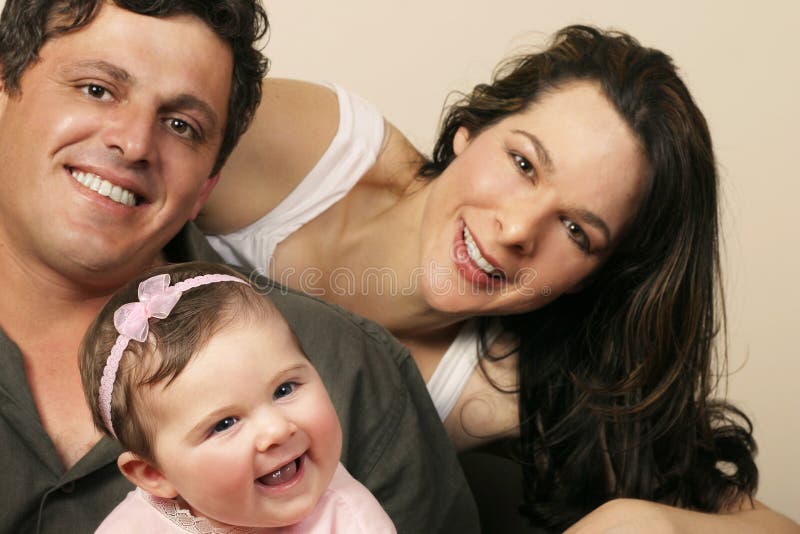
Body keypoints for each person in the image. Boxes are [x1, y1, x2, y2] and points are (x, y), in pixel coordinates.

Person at [198, 26, 800, 531]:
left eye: (575, 230)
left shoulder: (500, 393)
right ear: (471, 128)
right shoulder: (306, 146)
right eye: (523, 164)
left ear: (589, 279)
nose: (517, 228)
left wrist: (645, 523)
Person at [0, 1, 478, 533]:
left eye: (182, 125)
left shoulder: (349, 367)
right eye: (97, 89)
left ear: (208, 183)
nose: (133, 143)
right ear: (3, 86)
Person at [80, 262, 396, 533]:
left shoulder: (352, 524)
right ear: (156, 474)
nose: (276, 429)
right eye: (225, 424)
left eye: (284, 389)